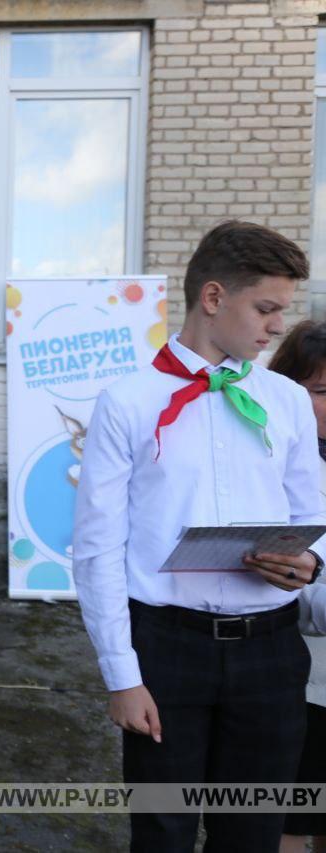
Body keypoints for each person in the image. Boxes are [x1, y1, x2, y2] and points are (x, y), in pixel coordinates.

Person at [73, 221, 326, 852]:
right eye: (265, 309)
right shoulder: (127, 402)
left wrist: (310, 560)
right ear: (212, 298)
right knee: (162, 831)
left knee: (254, 833)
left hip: (270, 651)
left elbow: (315, 510)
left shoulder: (288, 401)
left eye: (282, 312)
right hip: (165, 650)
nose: (275, 327)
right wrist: (120, 675)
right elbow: (99, 548)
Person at [267, 322, 326, 853]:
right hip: (302, 678)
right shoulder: (270, 462)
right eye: (323, 391)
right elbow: (279, 574)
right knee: (290, 820)